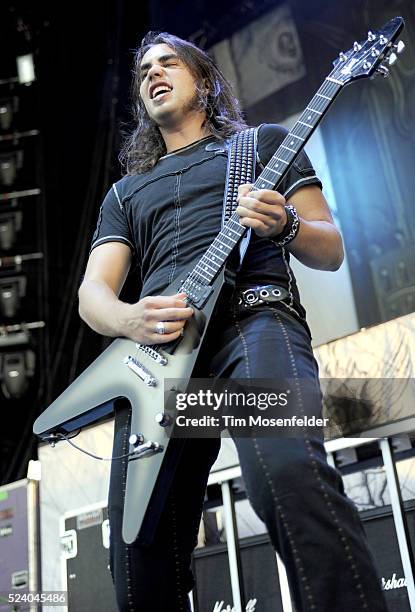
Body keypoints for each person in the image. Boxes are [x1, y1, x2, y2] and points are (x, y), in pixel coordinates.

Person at [78, 31, 389, 612]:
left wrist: (287, 225)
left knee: (285, 473)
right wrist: (130, 317)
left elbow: (330, 248)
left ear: (205, 81)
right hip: (163, 361)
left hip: (252, 322)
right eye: (144, 69)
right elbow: (92, 294)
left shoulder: (264, 144)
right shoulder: (125, 192)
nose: (153, 73)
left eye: (169, 62)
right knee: (138, 547)